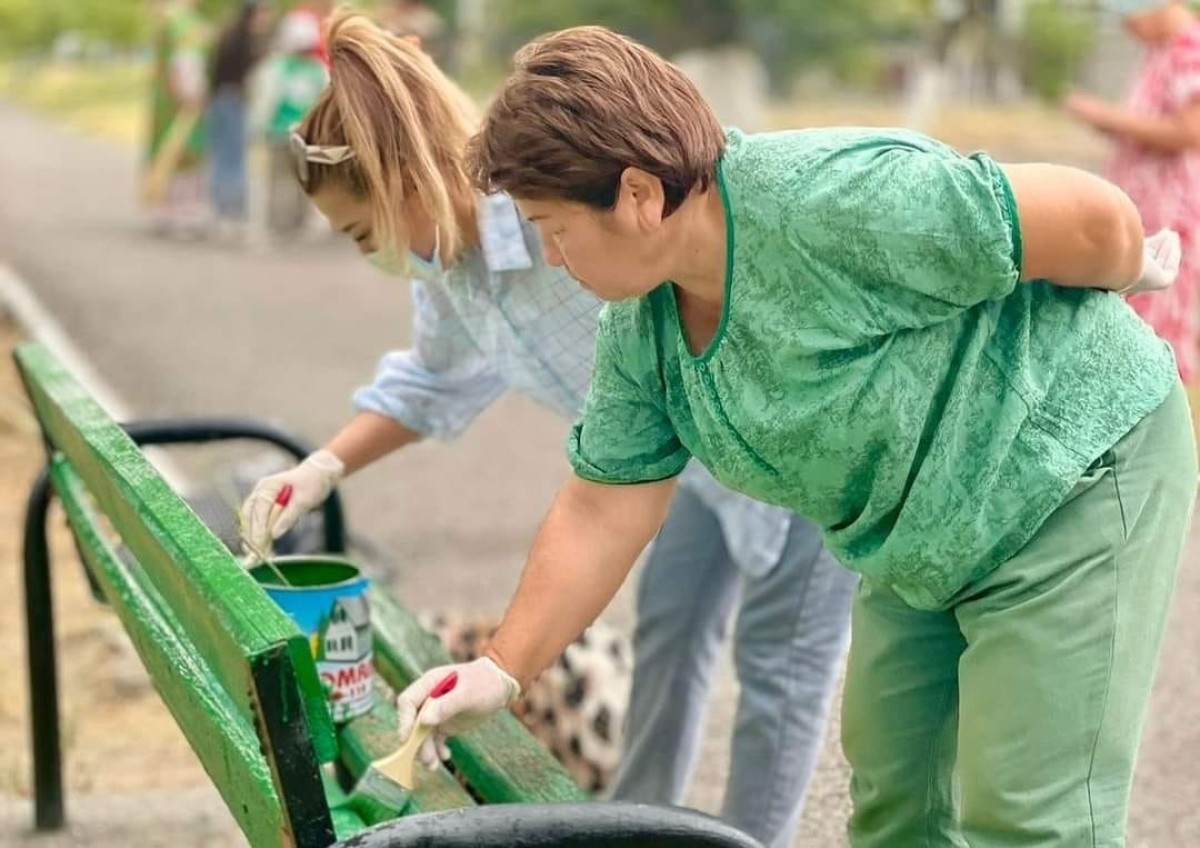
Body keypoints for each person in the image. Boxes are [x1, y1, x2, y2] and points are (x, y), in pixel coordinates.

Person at [393, 25, 1198, 848]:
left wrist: (1122, 271)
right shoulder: (643, 328)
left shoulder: (828, 201)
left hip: (1072, 471)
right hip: (922, 534)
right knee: (896, 812)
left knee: (1025, 820)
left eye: (554, 227)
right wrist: (501, 670)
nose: (552, 259)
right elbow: (604, 506)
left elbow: (1098, 221)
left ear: (638, 193)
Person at [237, 12, 855, 846]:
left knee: (778, 671)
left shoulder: (554, 219)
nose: (370, 255)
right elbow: (432, 378)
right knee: (668, 651)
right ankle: (637, 837)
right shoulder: (448, 265)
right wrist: (320, 468)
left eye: (362, 232)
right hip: (669, 468)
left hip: (782, 455)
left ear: (403, 183)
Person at [1067, 0, 1200, 437]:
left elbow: (1190, 130)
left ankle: (1156, 449)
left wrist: (1110, 118)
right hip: (1145, 215)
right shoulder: (1160, 52)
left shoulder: (1190, 49)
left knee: (1157, 338)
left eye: (1129, 18)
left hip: (1173, 219)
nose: (1129, 29)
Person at [256, 10, 330, 240]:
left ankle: (276, 223)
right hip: (308, 133)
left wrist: (259, 126)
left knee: (278, 180)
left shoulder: (277, 67)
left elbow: (266, 100)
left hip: (280, 131)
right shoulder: (318, 70)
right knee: (304, 181)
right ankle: (300, 222)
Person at [144, 0, 211, 237]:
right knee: (185, 153)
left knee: (167, 151)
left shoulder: (169, 19)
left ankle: (162, 209)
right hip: (180, 102)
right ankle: (183, 212)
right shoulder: (183, 22)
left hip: (163, 100)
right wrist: (191, 94)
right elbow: (185, 62)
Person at [207, 0, 271, 241]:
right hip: (234, 101)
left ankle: (223, 212)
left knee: (224, 157)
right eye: (263, 14)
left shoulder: (228, 37)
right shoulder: (245, 42)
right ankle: (232, 213)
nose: (266, 20)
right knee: (234, 159)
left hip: (222, 100)